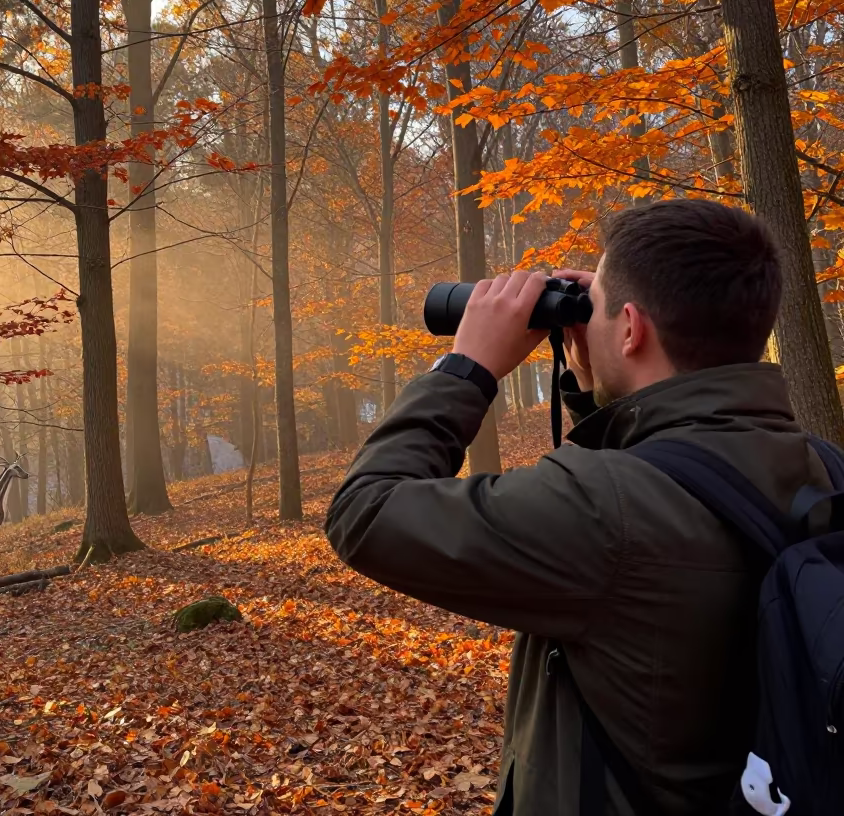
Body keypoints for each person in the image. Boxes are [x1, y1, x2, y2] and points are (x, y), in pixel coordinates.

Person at [324, 198, 836, 816]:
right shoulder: (825, 466)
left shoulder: (604, 511)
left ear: (630, 327)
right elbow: (675, 469)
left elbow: (366, 511)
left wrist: (466, 369)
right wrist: (597, 372)